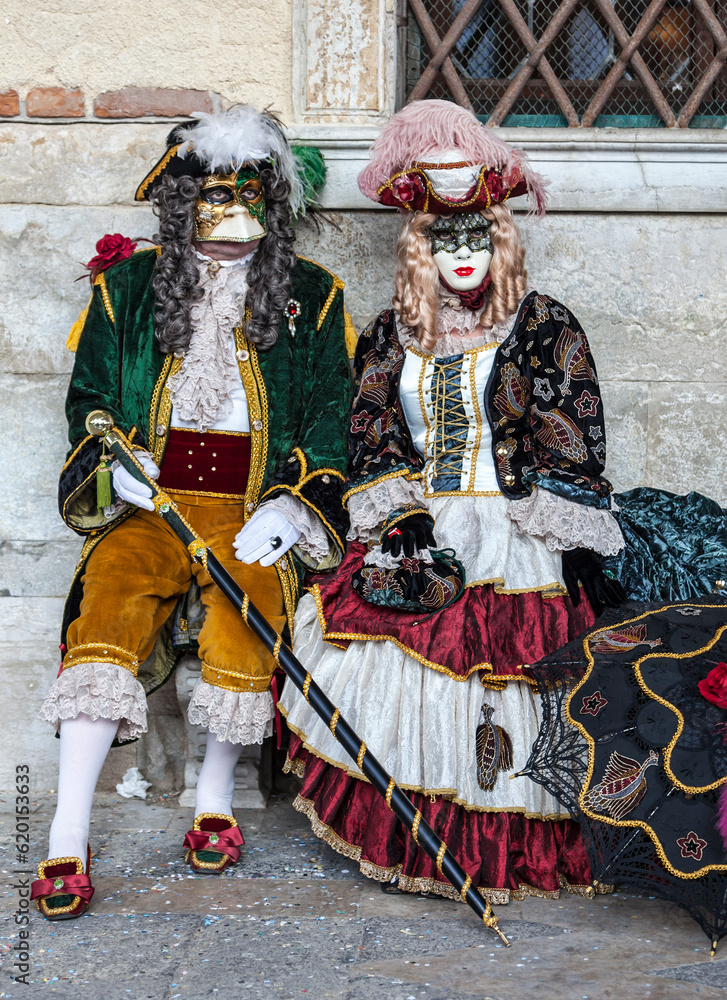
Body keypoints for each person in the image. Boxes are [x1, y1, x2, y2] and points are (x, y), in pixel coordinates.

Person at [279, 98, 637, 903]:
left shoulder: (543, 324)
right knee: (390, 657)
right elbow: (370, 431)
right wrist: (399, 518)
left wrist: (553, 525)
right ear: (420, 247)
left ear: (500, 237)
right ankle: (426, 838)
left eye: (478, 235)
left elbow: (572, 430)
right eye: (445, 239)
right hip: (424, 522)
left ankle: (513, 846)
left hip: (517, 528)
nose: (463, 254)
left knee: (514, 683)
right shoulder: (389, 332)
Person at [31, 106, 352, 919]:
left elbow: (326, 415)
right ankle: (67, 833)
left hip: (248, 505)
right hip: (151, 504)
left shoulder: (312, 297)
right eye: (213, 205)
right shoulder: (127, 289)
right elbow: (91, 401)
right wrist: (115, 468)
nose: (230, 225)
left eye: (249, 205)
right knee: (104, 610)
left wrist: (294, 507)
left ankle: (214, 799)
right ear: (181, 209)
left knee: (245, 618)